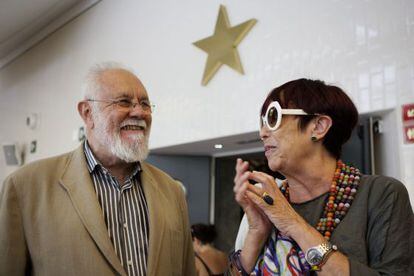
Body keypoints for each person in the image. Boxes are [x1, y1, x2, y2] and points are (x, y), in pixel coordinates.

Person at [0, 62, 196, 276]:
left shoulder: (171, 190)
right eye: (124, 102)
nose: (139, 112)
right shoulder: (25, 187)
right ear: (87, 113)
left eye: (145, 103)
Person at [230, 79, 414, 275]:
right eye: (263, 121)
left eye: (273, 117)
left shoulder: (380, 194)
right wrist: (256, 233)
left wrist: (292, 222)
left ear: (319, 126)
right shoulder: (266, 203)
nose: (263, 132)